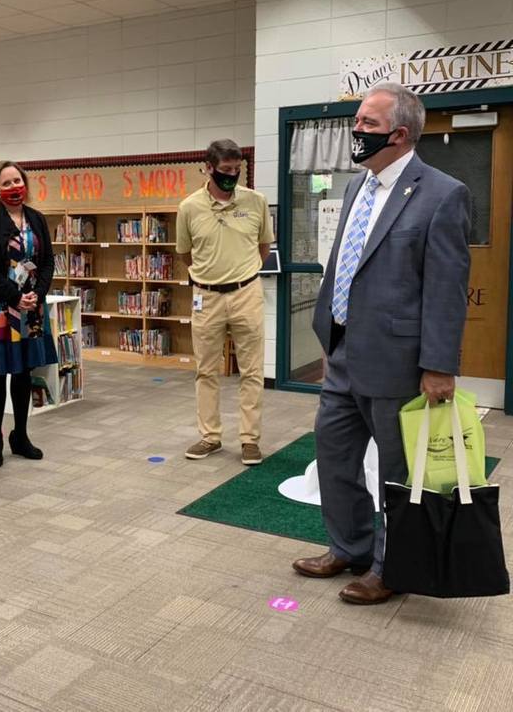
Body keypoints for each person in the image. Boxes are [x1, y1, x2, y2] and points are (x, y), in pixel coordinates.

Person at [293, 83, 471, 605]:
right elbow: (347, 264)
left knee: (396, 471)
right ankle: (348, 547)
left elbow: (446, 288)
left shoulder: (442, 193)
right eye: (357, 121)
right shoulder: (357, 186)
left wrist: (439, 365)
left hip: (399, 363)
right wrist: (329, 331)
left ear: (400, 134)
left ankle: (390, 566)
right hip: (342, 354)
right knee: (334, 457)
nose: (357, 130)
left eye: (368, 123)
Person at [176, 139, 273, 466]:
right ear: (208, 168)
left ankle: (250, 440)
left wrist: (242, 273)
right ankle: (210, 437)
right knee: (206, 370)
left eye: (237, 169)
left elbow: (263, 247)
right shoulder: (189, 207)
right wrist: (210, 274)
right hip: (206, 296)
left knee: (252, 370)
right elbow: (185, 254)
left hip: (247, 292)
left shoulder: (256, 202)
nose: (232, 175)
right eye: (225, 169)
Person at [0, 161, 57, 468]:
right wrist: (15, 296)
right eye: (6, 183)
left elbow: (48, 262)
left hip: (30, 307)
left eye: (17, 180)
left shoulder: (36, 218)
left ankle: (20, 435)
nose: (13, 187)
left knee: (23, 371)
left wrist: (37, 295)